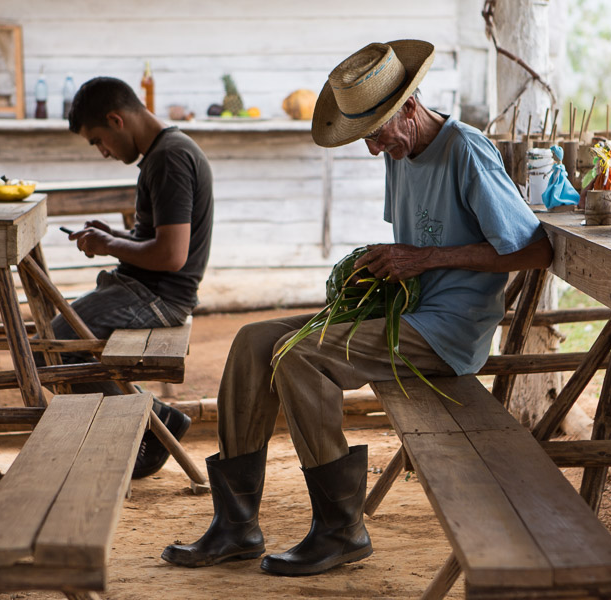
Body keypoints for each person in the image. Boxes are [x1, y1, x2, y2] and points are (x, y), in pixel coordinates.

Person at [162, 40, 553, 576]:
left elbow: (533, 250)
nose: (373, 150)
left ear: (409, 108)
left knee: (298, 357)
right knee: (254, 339)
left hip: (448, 329)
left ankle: (341, 529)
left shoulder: (466, 150)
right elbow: (416, 243)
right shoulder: (401, 152)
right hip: (404, 310)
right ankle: (235, 525)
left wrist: (423, 258)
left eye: (375, 134)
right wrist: (378, 268)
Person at [58, 76, 214, 478]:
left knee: (58, 341)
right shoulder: (166, 152)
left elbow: (171, 255)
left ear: (116, 120)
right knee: (61, 339)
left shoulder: (170, 158)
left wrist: (109, 246)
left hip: (160, 298)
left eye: (98, 140)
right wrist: (115, 237)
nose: (103, 152)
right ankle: (156, 417)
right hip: (147, 287)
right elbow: (157, 239)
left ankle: (144, 426)